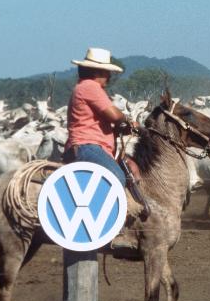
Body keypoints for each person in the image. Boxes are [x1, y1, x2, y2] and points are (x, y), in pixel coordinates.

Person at [64, 47, 151, 217]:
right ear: (97, 71)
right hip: (87, 146)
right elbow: (114, 115)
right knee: (115, 176)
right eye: (107, 72)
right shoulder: (91, 87)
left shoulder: (84, 87)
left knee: (130, 170)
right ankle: (103, 220)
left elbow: (103, 121)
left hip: (91, 146)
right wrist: (128, 121)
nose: (109, 77)